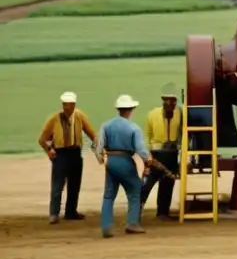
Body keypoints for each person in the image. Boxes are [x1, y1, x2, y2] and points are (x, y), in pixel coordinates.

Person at [94, 94, 152, 238]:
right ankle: (132, 223)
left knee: (109, 195)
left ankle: (106, 227)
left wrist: (102, 160)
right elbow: (140, 149)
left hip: (111, 160)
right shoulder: (134, 128)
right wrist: (148, 159)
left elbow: (98, 145)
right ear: (131, 109)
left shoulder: (106, 125)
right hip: (125, 160)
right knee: (135, 189)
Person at [38, 91, 97, 224]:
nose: (66, 108)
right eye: (64, 105)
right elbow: (42, 139)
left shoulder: (80, 116)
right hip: (61, 154)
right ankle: (54, 213)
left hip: (75, 153)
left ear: (74, 105)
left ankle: (71, 211)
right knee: (58, 185)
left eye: (69, 105)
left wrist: (101, 150)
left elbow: (92, 135)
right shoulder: (54, 118)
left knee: (75, 184)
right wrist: (49, 150)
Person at [140, 82, 182, 220]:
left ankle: (163, 211)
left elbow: (183, 134)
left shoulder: (180, 114)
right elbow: (149, 135)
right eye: (167, 100)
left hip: (172, 153)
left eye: (173, 101)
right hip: (157, 153)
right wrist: (147, 157)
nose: (170, 103)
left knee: (168, 182)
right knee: (149, 182)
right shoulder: (152, 114)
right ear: (163, 101)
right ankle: (137, 207)